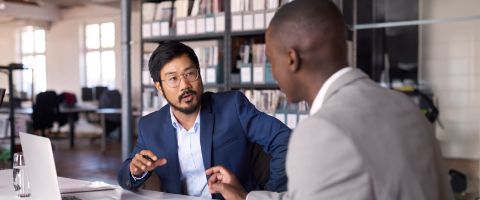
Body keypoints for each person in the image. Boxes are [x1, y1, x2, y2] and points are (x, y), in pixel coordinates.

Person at [205, 0, 454, 199]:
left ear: (292, 59)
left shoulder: (321, 132)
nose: (271, 69)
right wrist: (246, 198)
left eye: (271, 60)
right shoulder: (405, 107)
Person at [117, 41, 291, 199]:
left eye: (190, 73)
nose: (185, 85)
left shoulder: (232, 107)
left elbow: (285, 140)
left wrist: (266, 195)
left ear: (199, 74)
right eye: (173, 79)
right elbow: (125, 175)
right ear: (159, 87)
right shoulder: (150, 126)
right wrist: (135, 171)